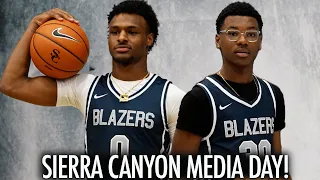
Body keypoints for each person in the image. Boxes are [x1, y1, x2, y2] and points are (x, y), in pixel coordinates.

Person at [0, 0, 185, 156]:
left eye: (132, 32)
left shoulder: (171, 97)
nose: (121, 37)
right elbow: (12, 84)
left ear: (149, 39)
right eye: (114, 31)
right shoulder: (86, 88)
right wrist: (34, 26)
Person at [172, 1, 287, 179]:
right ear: (218, 41)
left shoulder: (273, 95)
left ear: (260, 41)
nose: (242, 41)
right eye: (233, 34)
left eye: (251, 34)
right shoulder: (200, 99)